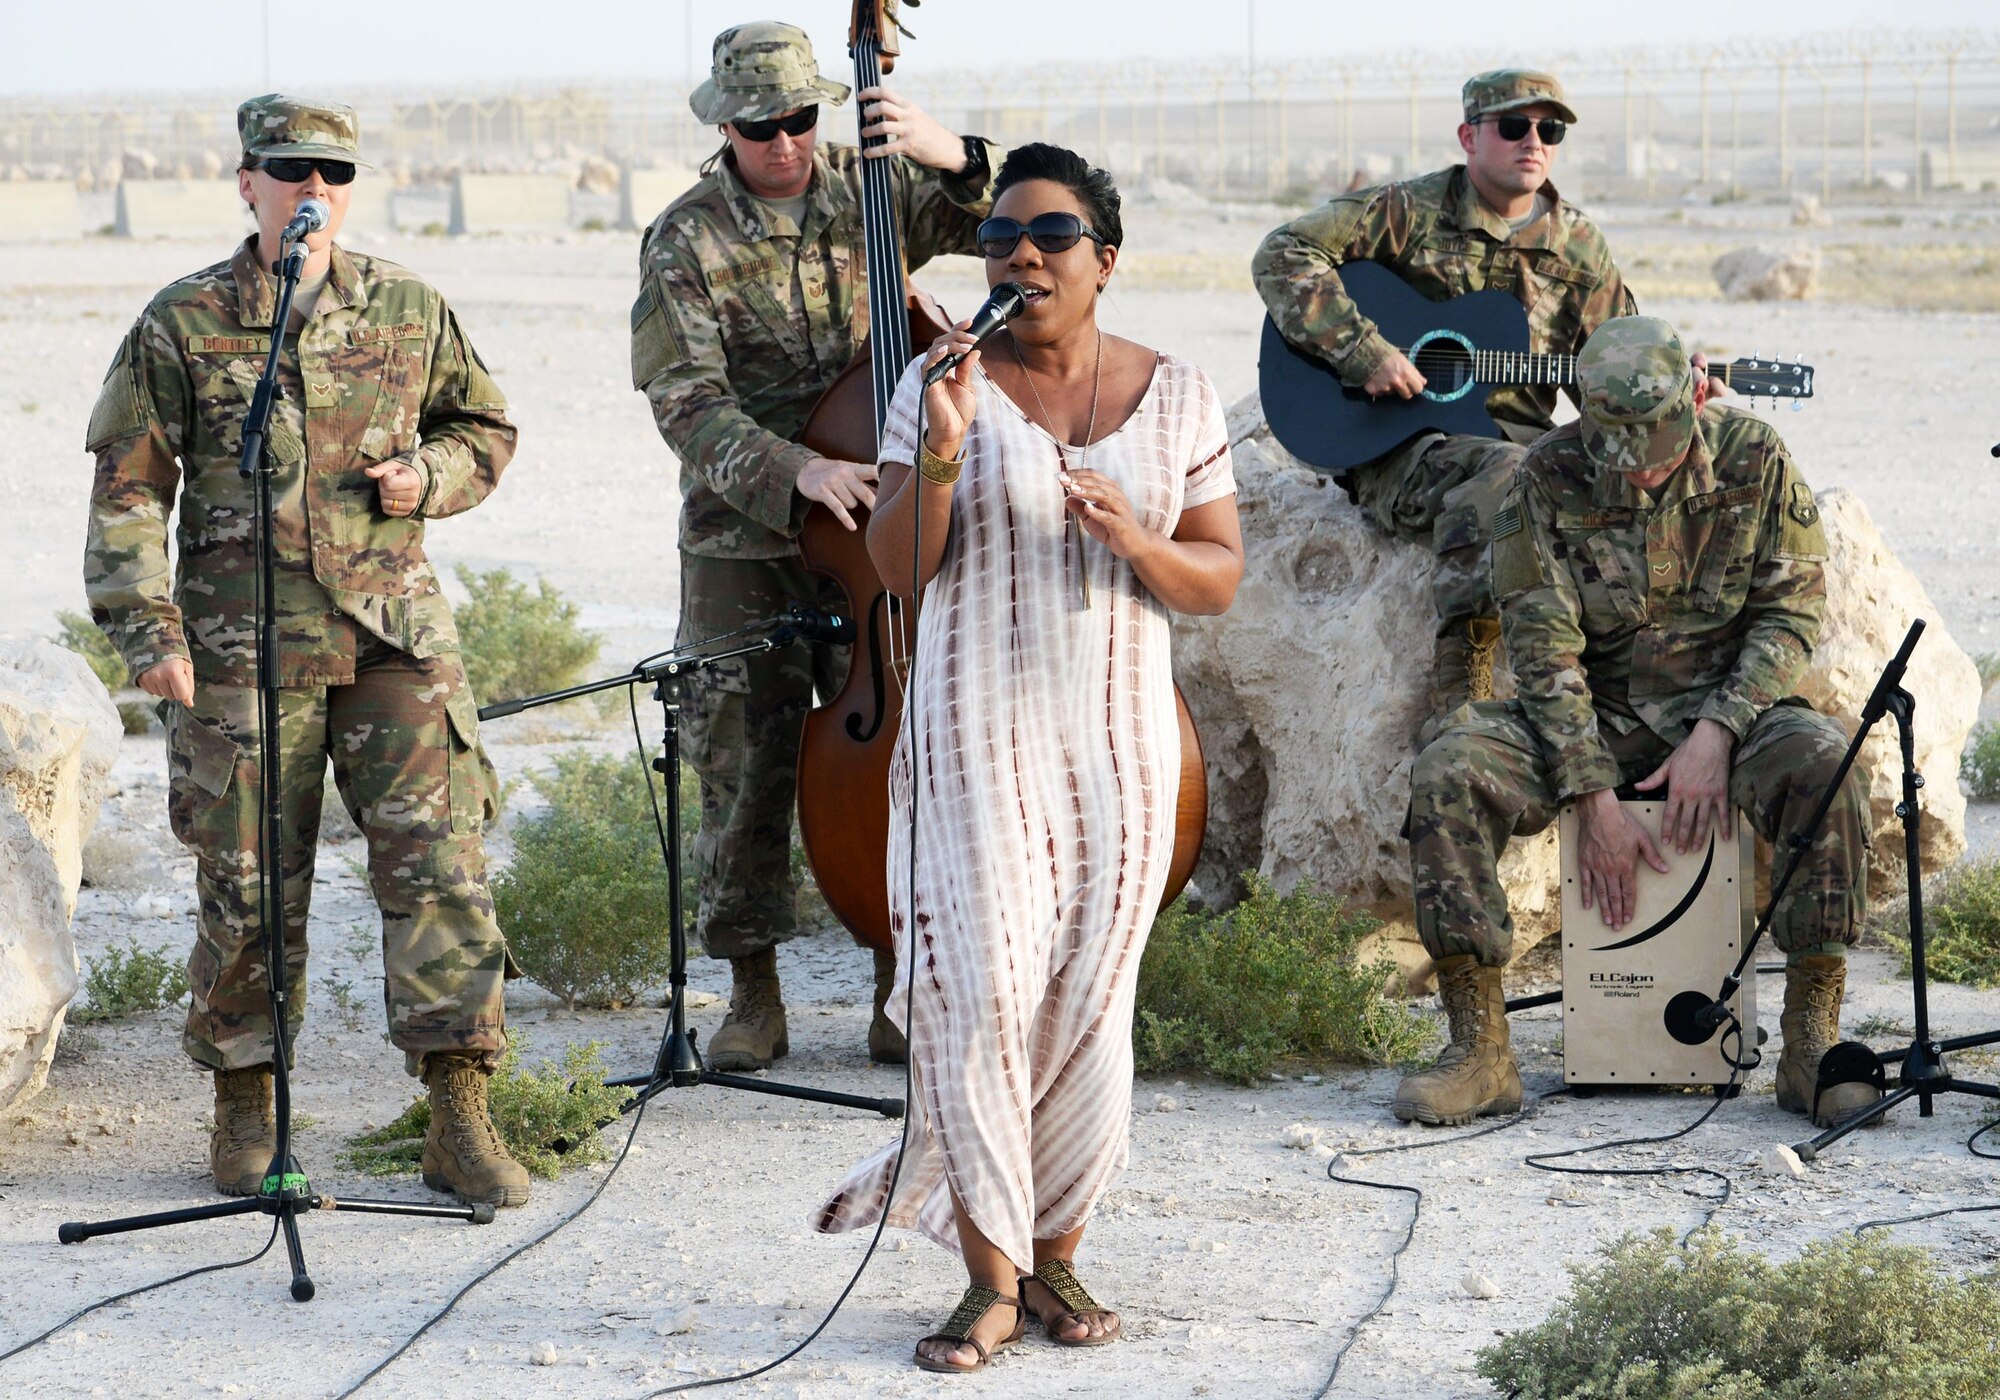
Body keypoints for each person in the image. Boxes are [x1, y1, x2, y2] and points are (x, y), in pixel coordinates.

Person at [811, 143, 1244, 1373]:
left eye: (1051, 234)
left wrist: (1140, 543)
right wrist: (941, 444)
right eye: (999, 237)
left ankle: (1056, 1253)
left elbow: (1214, 576)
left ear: (1104, 258)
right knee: (976, 995)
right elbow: (899, 569)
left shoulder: (1179, 393)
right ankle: (985, 1278)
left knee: (1088, 1005)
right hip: (972, 732)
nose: (1020, 255)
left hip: (1116, 743)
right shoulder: (935, 388)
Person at [83, 95, 530, 1207]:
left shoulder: (407, 307)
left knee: (440, 870)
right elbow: (131, 482)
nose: (311, 186)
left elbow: (485, 430)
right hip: (241, 650)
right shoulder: (185, 318)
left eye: (332, 167)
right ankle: (247, 1098)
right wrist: (148, 630)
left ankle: (457, 1108)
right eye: (289, 169)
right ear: (248, 182)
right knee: (247, 885)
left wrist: (431, 478)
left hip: (391, 639)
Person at [1396, 315, 1878, 1133]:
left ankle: (1809, 1042)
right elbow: (1544, 650)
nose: (1644, 473)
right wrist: (1591, 792)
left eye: (1656, 443)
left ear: (1693, 396)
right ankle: (1479, 1052)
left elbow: (1790, 616)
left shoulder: (1755, 459)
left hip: (1730, 706)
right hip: (1591, 714)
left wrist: (1718, 730)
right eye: (1621, 447)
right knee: (1450, 769)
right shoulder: (1544, 478)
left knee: (1828, 765)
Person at [631, 22, 1002, 1072]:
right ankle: (751, 987)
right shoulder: (684, 238)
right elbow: (685, 403)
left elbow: (999, 222)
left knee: (892, 753)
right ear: (724, 125)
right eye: (763, 128)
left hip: (877, 521)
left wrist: (948, 151)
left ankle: (897, 978)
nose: (787, 142)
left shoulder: (864, 186)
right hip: (746, 533)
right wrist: (796, 469)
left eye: (802, 118)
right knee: (742, 754)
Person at [1253, 69, 1642, 727]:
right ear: (1469, 135)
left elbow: (1603, 370)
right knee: (1505, 477)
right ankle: (1464, 690)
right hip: (1402, 445)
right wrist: (1362, 350)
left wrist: (1657, 390)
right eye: (1514, 126)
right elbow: (1283, 253)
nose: (1534, 143)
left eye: (1550, 130)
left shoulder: (1579, 247)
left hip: (1520, 444)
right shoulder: (1407, 211)